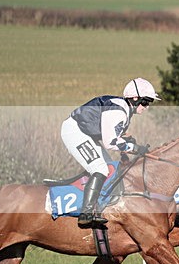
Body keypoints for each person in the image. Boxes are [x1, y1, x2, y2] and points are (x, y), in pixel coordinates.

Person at [61, 77, 160, 228]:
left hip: (86, 133)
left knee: (110, 168)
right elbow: (111, 142)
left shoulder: (125, 109)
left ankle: (100, 207)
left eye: (149, 103)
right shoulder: (118, 111)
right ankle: (86, 214)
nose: (146, 107)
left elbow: (117, 137)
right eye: (145, 102)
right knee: (100, 169)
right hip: (75, 131)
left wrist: (130, 144)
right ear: (134, 98)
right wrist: (135, 148)